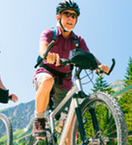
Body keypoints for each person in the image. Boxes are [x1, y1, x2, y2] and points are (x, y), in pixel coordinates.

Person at [32, 0, 109, 138]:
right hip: (46, 72)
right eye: (67, 14)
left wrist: (98, 66)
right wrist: (47, 55)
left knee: (69, 127)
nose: (70, 18)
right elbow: (42, 48)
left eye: (74, 16)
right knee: (47, 80)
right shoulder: (50, 33)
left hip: (65, 82)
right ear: (58, 17)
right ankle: (39, 120)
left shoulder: (78, 41)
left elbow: (89, 56)